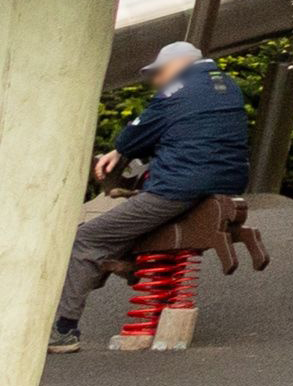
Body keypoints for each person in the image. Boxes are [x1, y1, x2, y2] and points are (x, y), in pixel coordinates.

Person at [54, 37, 254, 348]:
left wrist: (120, 150)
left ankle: (63, 331)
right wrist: (124, 152)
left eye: (160, 72)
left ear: (179, 64)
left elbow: (133, 136)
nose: (157, 81)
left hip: (177, 188)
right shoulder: (227, 86)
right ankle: (123, 261)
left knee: (88, 238)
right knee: (126, 229)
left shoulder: (176, 92)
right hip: (226, 184)